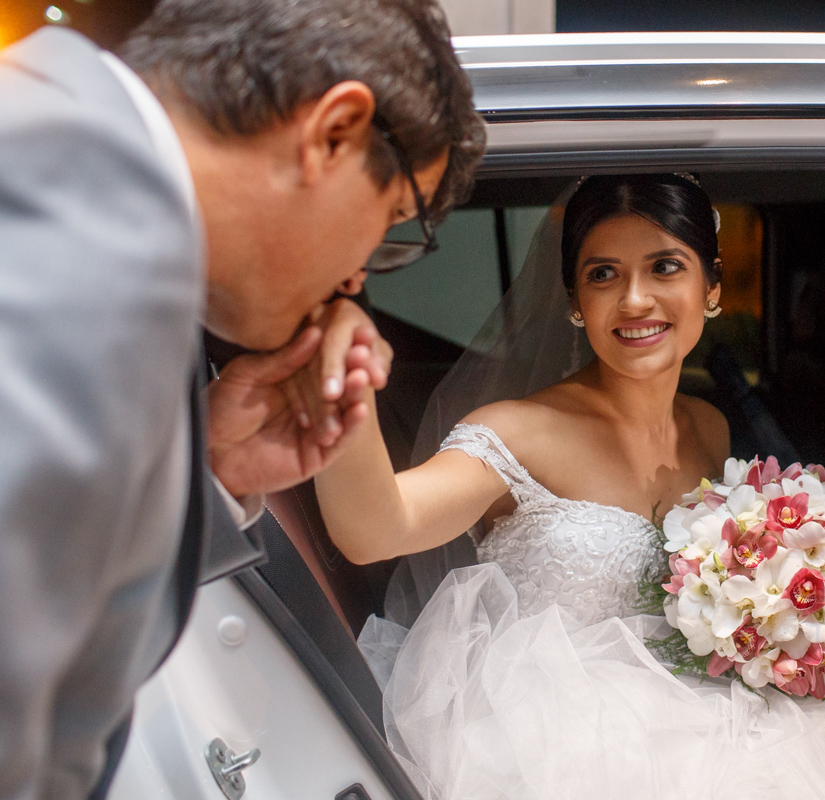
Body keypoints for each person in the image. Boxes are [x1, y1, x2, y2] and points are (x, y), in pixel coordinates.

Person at [312, 175, 825, 799]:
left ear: (712, 287)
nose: (634, 300)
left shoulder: (712, 428)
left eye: (665, 267)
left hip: (730, 731)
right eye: (602, 274)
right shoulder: (515, 433)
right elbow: (379, 528)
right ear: (575, 301)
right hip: (558, 754)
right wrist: (338, 377)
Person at [0, 0, 484, 797]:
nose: (359, 277)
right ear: (334, 131)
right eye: (394, 222)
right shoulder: (70, 245)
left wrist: (211, 473)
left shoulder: (68, 164)